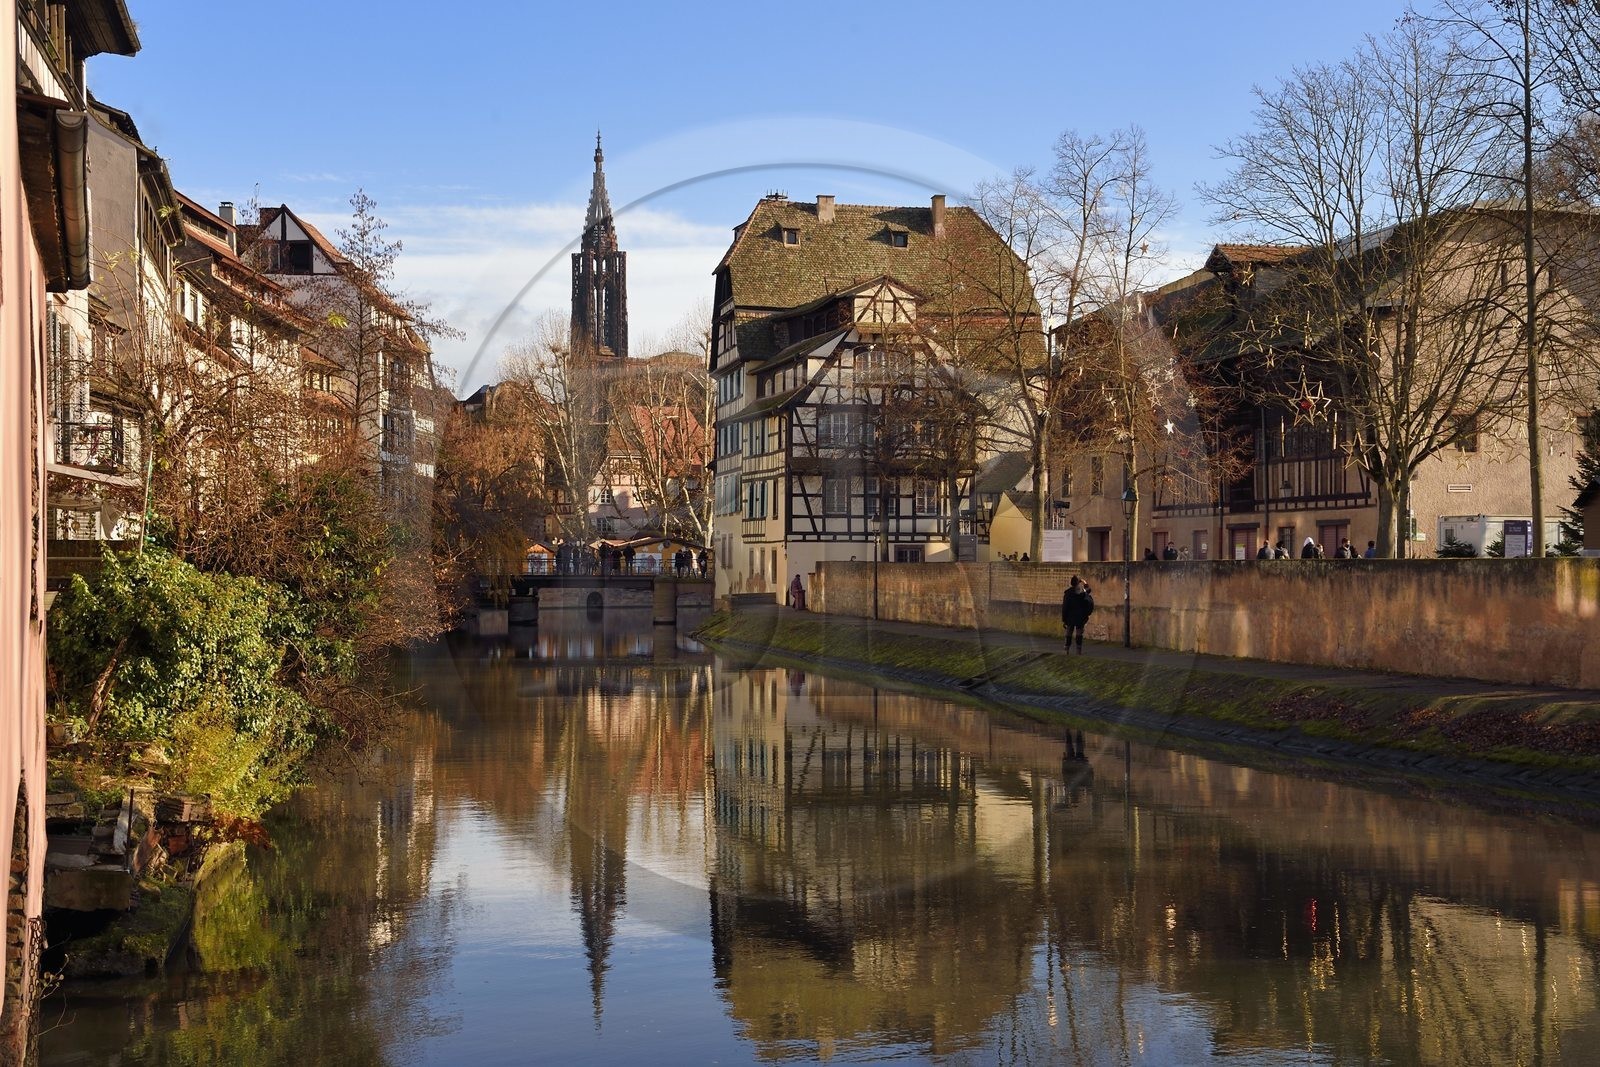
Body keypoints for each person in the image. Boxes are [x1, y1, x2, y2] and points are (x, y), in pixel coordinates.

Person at [1061, 575, 1094, 654]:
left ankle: (1066, 649)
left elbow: (1065, 607)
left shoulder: (1068, 593)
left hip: (1070, 617)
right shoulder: (1082, 592)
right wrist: (1085, 583)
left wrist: (1064, 619)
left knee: (1069, 633)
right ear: (1078, 583)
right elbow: (1088, 590)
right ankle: (1078, 651)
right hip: (1080, 617)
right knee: (1079, 633)